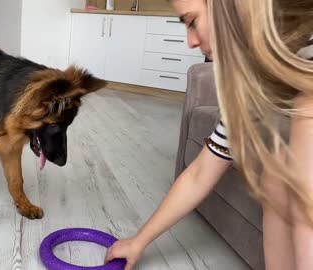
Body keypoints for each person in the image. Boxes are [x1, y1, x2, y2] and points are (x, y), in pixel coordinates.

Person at [104, 0, 313, 269]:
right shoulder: (248, 79)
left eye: (192, 22)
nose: (190, 41)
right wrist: (139, 240)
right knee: (276, 177)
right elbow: (201, 172)